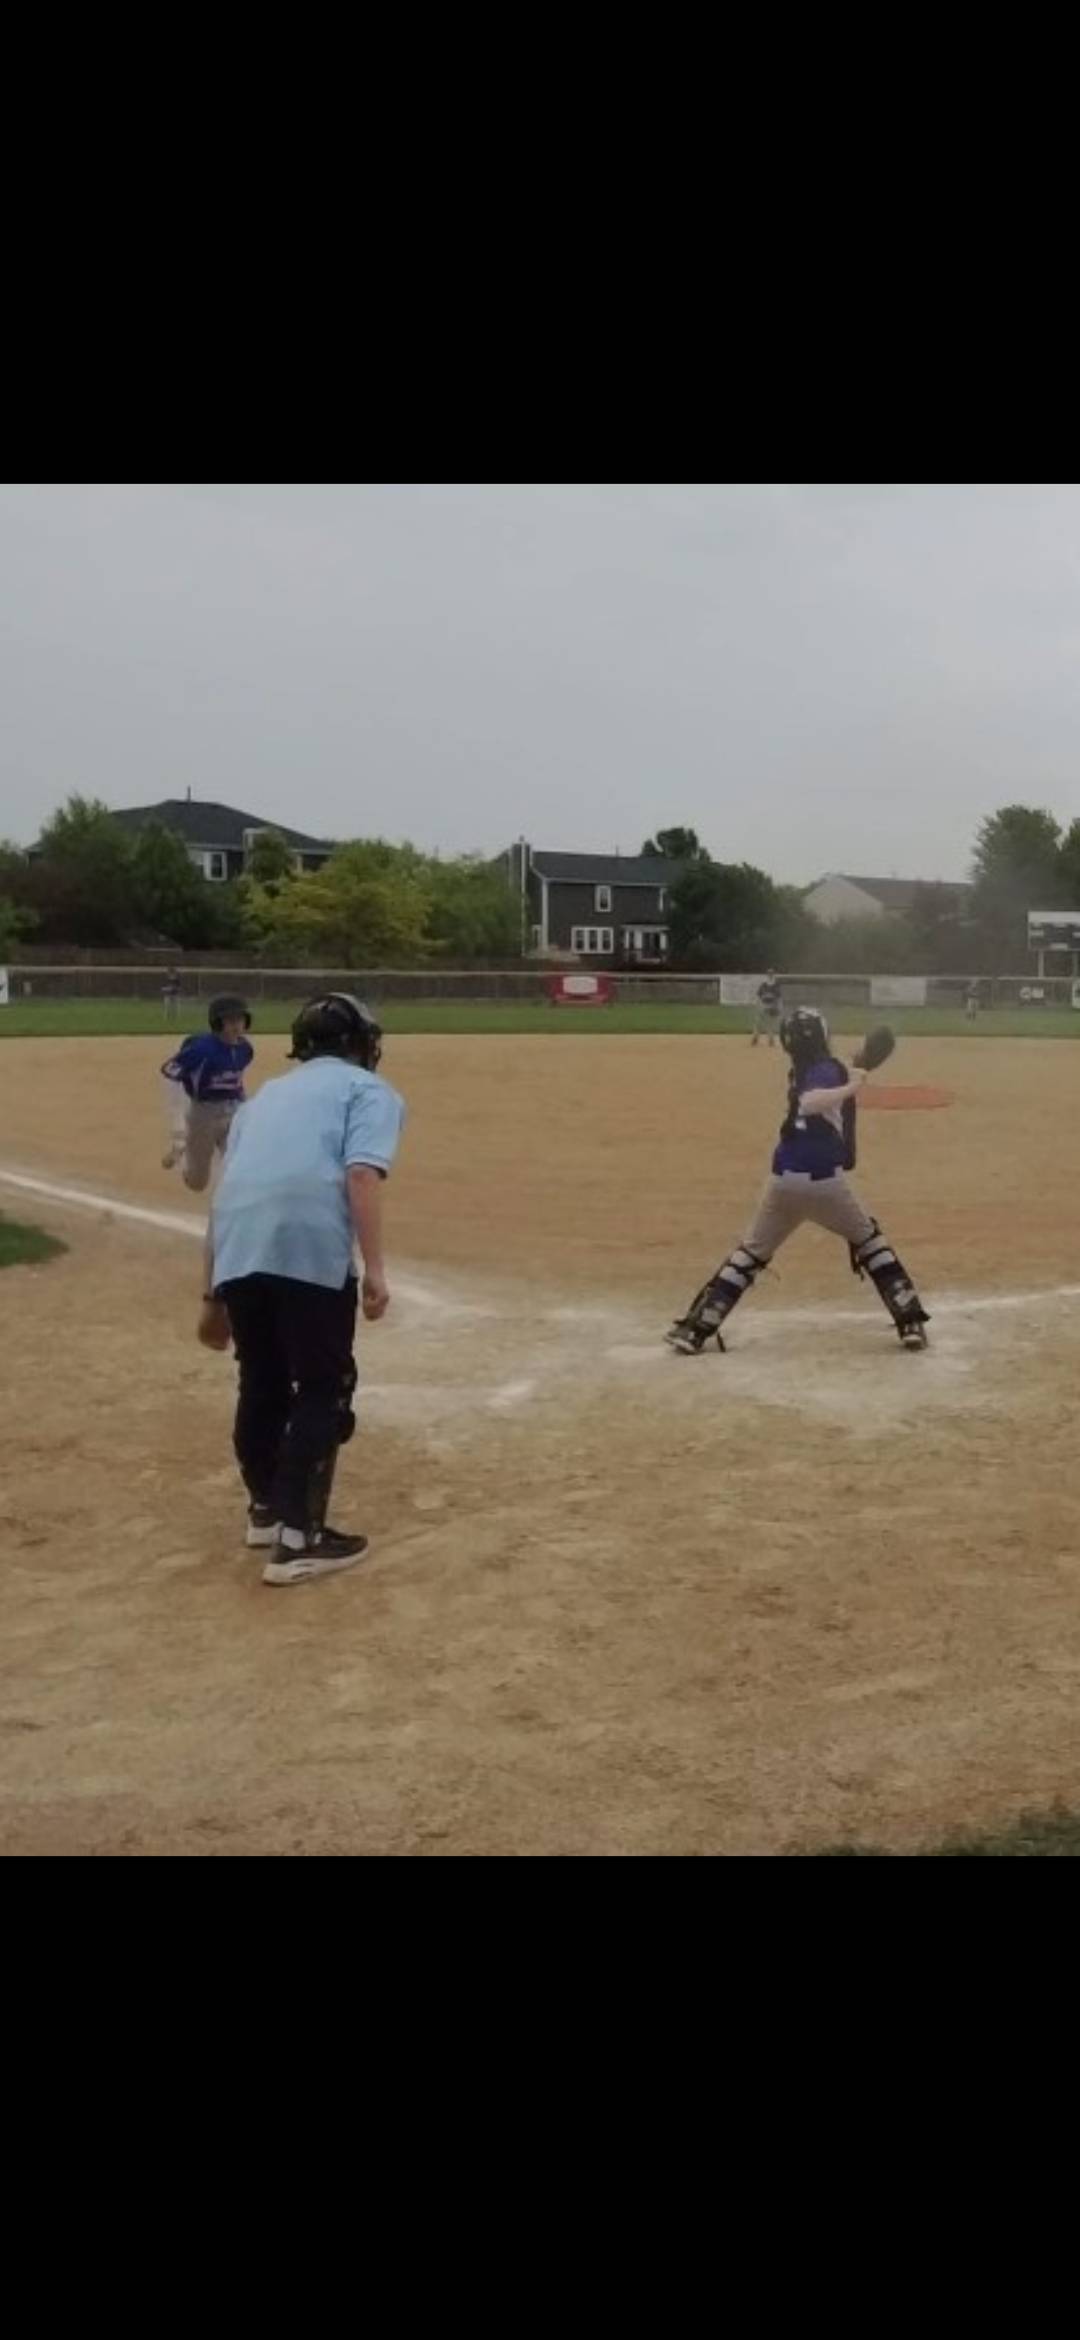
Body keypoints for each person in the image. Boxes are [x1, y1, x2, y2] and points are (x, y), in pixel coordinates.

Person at [201, 992, 405, 1587]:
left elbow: (225, 1192)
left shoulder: (262, 1097)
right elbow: (361, 1173)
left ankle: (266, 1508)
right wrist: (375, 1270)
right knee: (323, 1386)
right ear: (358, 1044)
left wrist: (211, 1294)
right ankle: (300, 1539)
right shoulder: (367, 1091)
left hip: (240, 1243)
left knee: (261, 1378)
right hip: (307, 1243)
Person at [665, 1005, 930, 1355]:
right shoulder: (826, 1072)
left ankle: (696, 1328)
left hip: (783, 1183)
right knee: (870, 1242)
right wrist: (853, 1083)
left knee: (750, 1254)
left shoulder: (803, 1070)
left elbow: (825, 1082)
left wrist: (856, 1069)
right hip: (825, 1185)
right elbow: (812, 1101)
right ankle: (909, 1320)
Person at [161, 993, 254, 1190]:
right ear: (217, 1023)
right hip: (203, 1114)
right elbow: (170, 1075)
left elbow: (235, 1081)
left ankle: (230, 1198)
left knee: (238, 1165)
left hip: (233, 1111)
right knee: (197, 1183)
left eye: (240, 1019)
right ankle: (183, 1155)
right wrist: (178, 1123)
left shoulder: (245, 1050)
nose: (237, 1025)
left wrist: (244, 1108)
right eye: (230, 1021)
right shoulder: (201, 1050)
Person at [751, 969, 782, 1046]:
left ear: (773, 975)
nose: (770, 975)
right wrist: (758, 1004)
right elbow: (758, 995)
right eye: (769, 974)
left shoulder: (776, 984)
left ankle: (771, 1039)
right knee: (758, 1022)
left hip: (772, 1004)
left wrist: (777, 1006)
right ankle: (755, 1038)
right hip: (763, 1004)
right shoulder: (763, 984)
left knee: (770, 1023)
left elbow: (778, 997)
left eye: (771, 973)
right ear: (767, 975)